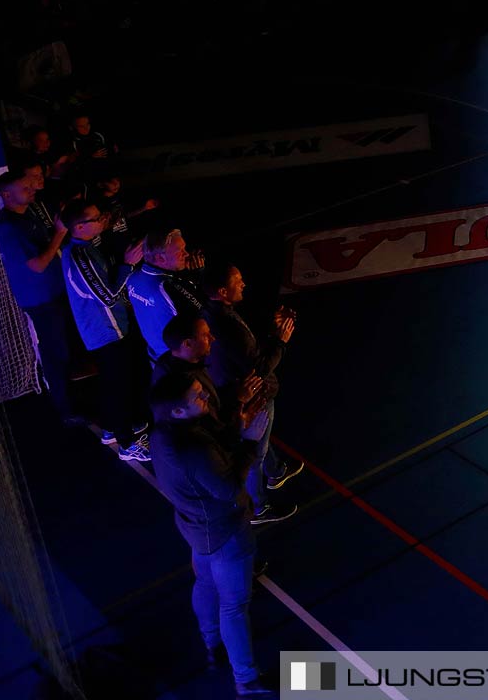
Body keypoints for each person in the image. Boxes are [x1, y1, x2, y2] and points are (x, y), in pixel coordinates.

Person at [147, 370, 278, 696]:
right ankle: (246, 679)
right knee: (234, 606)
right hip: (226, 532)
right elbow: (229, 487)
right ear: (178, 410)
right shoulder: (194, 450)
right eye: (198, 397)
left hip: (195, 527)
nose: (206, 396)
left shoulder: (162, 436)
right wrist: (250, 441)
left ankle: (211, 642)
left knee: (205, 582)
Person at [154, 314, 296, 525]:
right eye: (205, 335)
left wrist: (237, 400)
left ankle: (269, 481)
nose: (212, 338)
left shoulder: (176, 367)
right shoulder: (186, 392)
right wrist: (242, 428)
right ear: (187, 343)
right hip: (221, 522)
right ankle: (258, 508)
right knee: (253, 459)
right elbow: (228, 485)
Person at [60, 199, 150, 461]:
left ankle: (113, 427)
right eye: (96, 218)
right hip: (104, 332)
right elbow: (108, 295)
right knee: (117, 386)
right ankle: (126, 444)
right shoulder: (79, 256)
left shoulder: (87, 248)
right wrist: (128, 264)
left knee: (119, 382)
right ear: (79, 227)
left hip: (114, 328)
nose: (102, 220)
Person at [203, 264, 303, 494]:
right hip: (254, 392)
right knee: (255, 449)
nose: (243, 284)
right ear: (222, 291)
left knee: (260, 434)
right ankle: (259, 506)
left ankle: (276, 470)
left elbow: (245, 348)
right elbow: (260, 367)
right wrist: (280, 340)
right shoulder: (229, 325)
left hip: (230, 387)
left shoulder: (211, 311)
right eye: (237, 281)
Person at [0, 166, 77, 417]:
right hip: (41, 299)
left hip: (52, 292)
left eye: (31, 187)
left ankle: (70, 399)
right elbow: (38, 265)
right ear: (7, 195)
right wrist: (60, 233)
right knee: (55, 353)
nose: (32, 191)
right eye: (25, 189)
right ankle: (65, 409)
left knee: (63, 349)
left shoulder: (26, 214)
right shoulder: (9, 227)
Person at [128, 225, 207, 362]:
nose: (187, 254)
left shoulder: (132, 278)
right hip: (182, 361)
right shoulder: (168, 286)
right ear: (160, 258)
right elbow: (207, 314)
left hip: (157, 358)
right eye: (179, 251)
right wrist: (197, 276)